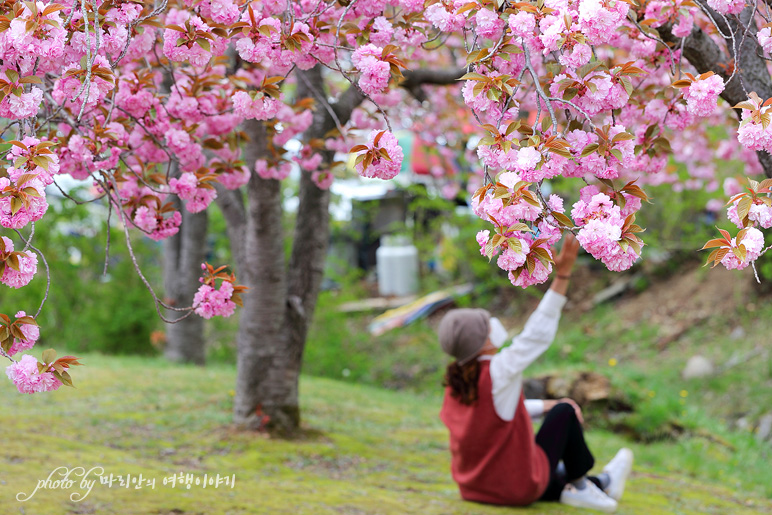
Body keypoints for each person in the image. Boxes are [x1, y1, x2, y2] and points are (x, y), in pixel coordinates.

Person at [438, 234, 633, 513]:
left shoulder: (458, 381)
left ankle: (603, 482)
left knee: (545, 465)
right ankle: (580, 486)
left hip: (476, 487)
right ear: (483, 340)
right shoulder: (498, 371)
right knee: (564, 412)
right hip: (514, 489)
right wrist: (562, 275)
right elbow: (535, 335)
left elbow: (491, 414)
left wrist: (542, 406)